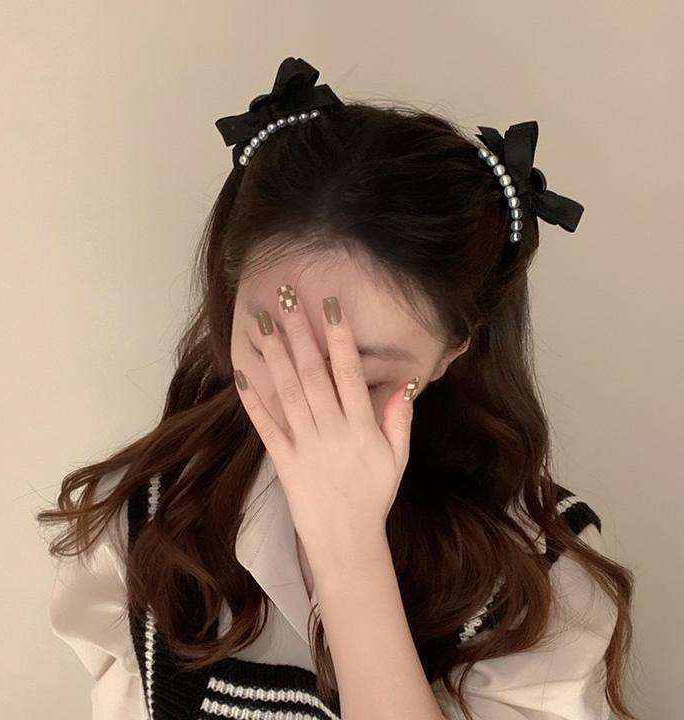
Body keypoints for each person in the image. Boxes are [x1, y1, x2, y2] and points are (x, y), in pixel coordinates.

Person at [38, 57, 637, 720]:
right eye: (270, 343)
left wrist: (347, 549)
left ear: (452, 351)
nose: (306, 402)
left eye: (362, 374)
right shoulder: (139, 523)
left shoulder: (537, 575)